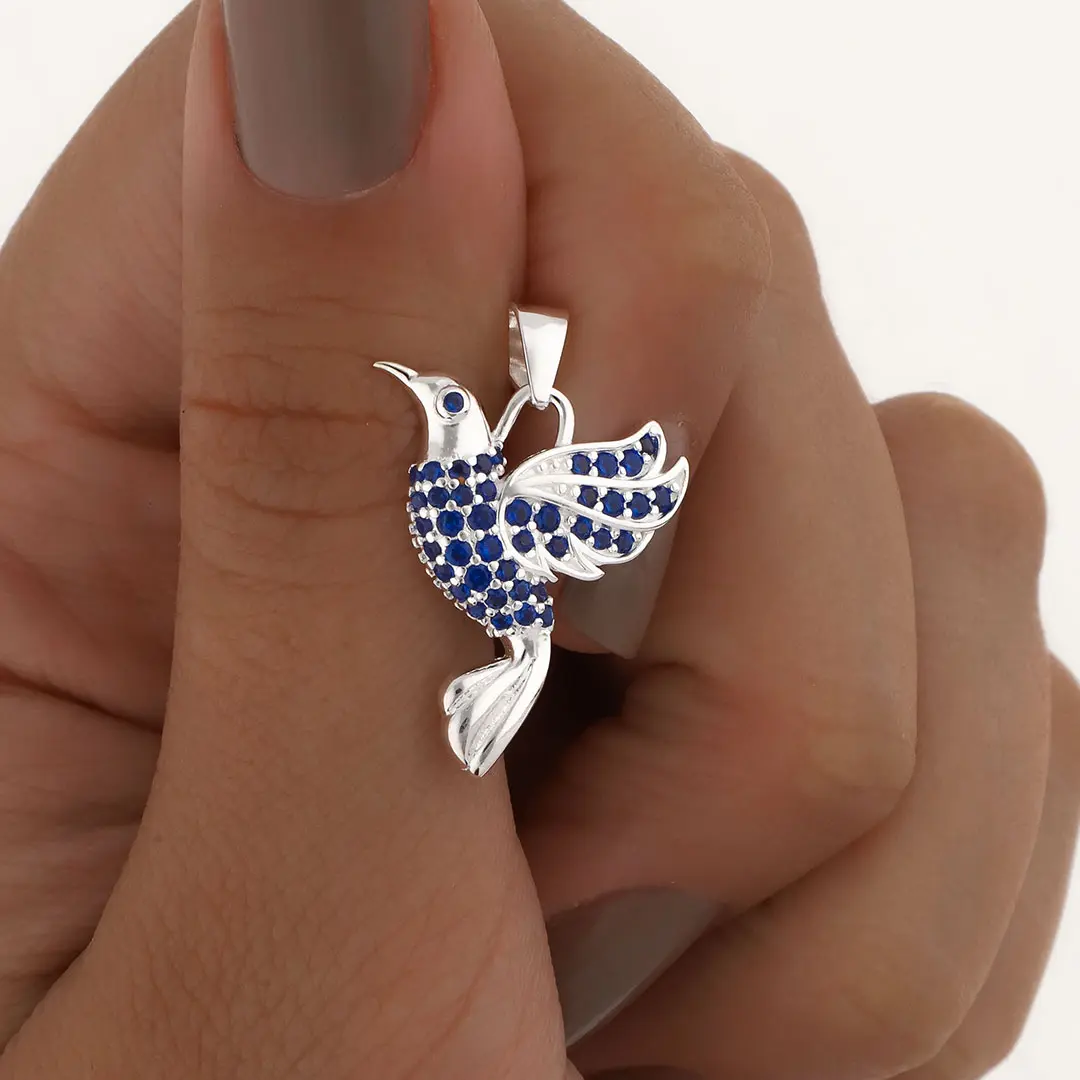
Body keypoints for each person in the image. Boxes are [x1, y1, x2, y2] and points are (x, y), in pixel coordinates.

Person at [0, 1, 1076, 1077]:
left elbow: (620, 485)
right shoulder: (463, 464)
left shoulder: (512, 481)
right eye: (441, 403)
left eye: (442, 404)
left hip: (504, 628)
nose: (429, 402)